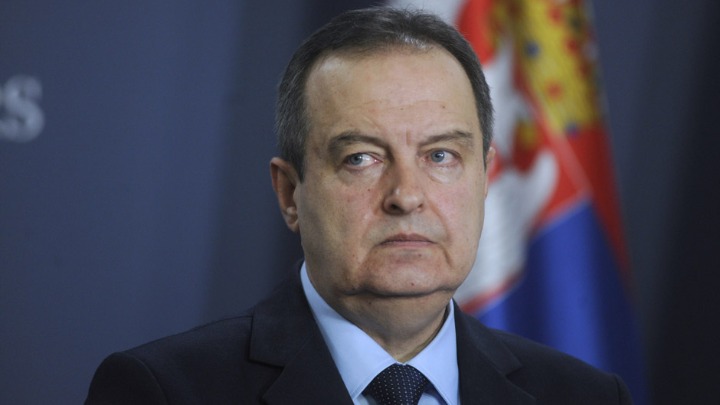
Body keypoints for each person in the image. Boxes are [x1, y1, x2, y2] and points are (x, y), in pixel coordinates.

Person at [86, 7, 632, 404]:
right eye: (362, 159)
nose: (407, 195)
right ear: (289, 194)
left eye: (441, 155)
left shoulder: (584, 396)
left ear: (485, 178)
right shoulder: (163, 390)